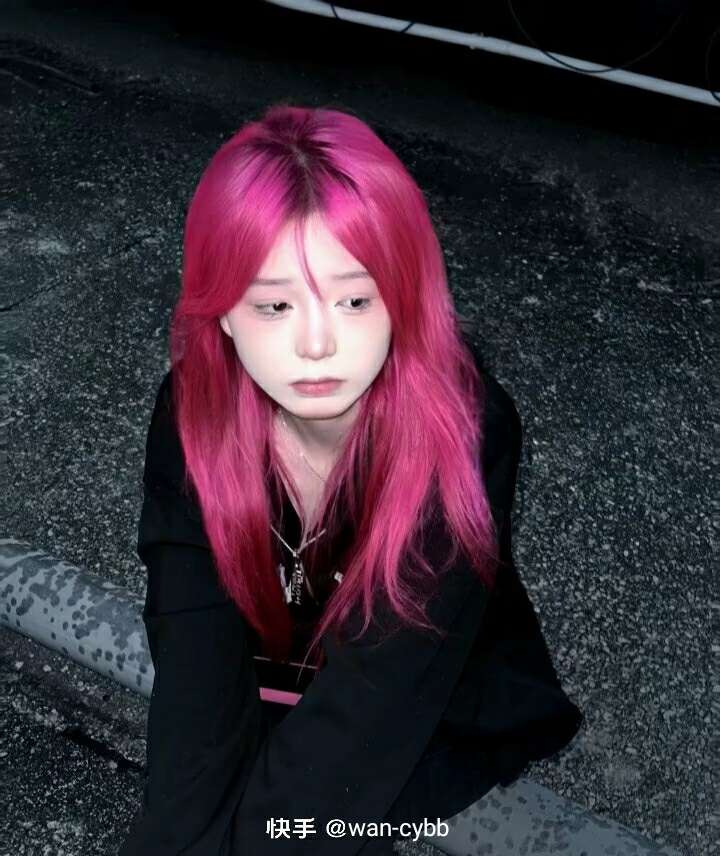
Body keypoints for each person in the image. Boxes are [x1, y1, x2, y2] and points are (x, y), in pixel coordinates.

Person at [118, 103, 583, 856]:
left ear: (403, 297)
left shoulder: (463, 431)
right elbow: (193, 651)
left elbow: (381, 696)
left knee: (317, 826)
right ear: (222, 313)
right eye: (274, 304)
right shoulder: (194, 410)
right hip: (264, 689)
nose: (317, 343)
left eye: (356, 299)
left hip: (418, 703)